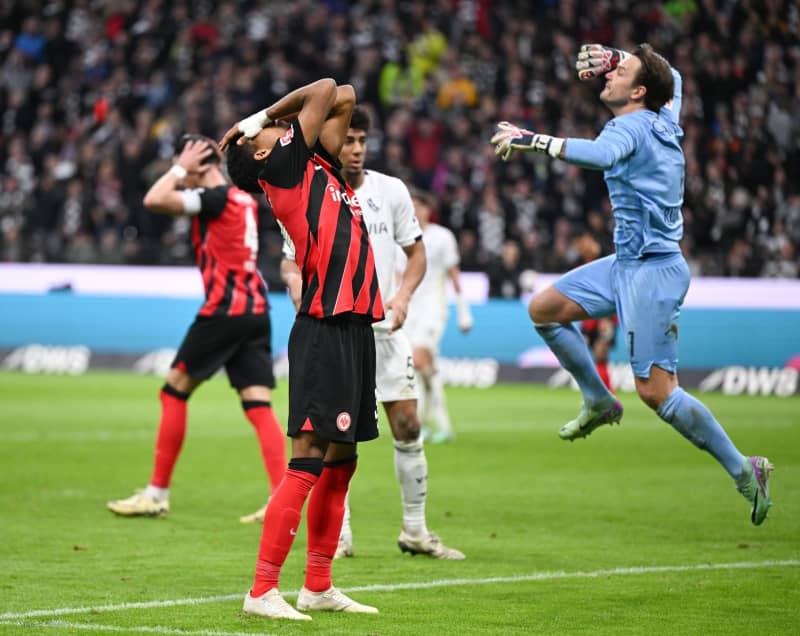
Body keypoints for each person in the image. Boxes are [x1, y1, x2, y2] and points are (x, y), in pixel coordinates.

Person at [490, 43, 774, 525]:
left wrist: (531, 139)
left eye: (620, 71)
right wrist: (620, 53)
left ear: (639, 91)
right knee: (544, 309)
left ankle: (745, 469)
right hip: (625, 264)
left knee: (657, 393)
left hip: (653, 274)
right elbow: (676, 76)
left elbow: (600, 155)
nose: (609, 74)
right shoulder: (666, 114)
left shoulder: (631, 126)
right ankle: (598, 398)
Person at [221, 79, 381, 621]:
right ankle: (262, 590)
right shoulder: (284, 169)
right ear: (262, 151)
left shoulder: (319, 166)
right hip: (324, 326)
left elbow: (346, 93)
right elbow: (323, 88)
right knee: (309, 458)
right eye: (269, 131)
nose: (277, 127)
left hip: (356, 327)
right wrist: (254, 116)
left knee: (342, 462)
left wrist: (261, 119)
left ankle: (317, 586)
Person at [276, 107, 465, 561]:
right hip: (338, 331)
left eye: (363, 141)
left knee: (407, 422)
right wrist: (298, 289)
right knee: (337, 438)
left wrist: (401, 299)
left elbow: (415, 255)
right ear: (331, 139)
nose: (356, 149)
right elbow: (289, 260)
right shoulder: (312, 191)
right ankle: (337, 535)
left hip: (382, 329)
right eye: (349, 140)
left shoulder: (392, 191)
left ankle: (415, 531)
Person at [106, 135, 286, 519]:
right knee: (258, 404)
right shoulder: (243, 199)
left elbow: (154, 199)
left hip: (224, 311)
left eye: (187, 163)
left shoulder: (216, 197)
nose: (180, 173)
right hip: (256, 311)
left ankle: (156, 493)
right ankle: (280, 499)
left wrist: (179, 168)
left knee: (173, 393)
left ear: (201, 165)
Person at [404, 189, 473, 444]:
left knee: (420, 359)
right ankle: (431, 423)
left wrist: (464, 311)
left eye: (418, 205)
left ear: (427, 209)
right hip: (408, 310)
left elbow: (453, 273)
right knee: (416, 366)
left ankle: (436, 423)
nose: (414, 210)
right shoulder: (399, 236)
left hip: (433, 309)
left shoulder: (442, 237)